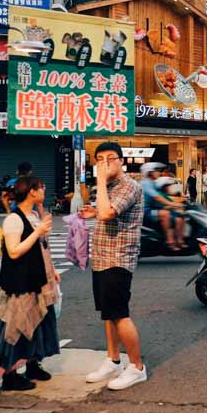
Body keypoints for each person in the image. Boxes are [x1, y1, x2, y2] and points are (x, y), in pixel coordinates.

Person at [79, 142, 147, 391]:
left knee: (119, 314)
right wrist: (93, 211)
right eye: (99, 159)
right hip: (103, 257)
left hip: (118, 258)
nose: (104, 164)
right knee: (108, 313)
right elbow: (103, 211)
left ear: (121, 161)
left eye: (110, 158)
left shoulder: (129, 186)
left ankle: (137, 367)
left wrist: (99, 183)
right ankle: (113, 360)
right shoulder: (109, 186)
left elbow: (108, 213)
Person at [0, 176, 60, 391]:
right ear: (31, 191)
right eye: (41, 187)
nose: (44, 189)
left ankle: (32, 364)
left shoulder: (32, 214)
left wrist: (53, 270)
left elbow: (41, 246)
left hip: (37, 279)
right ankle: (9, 375)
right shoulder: (14, 219)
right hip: (21, 282)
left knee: (38, 322)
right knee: (16, 325)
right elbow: (14, 251)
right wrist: (38, 231)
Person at [140, 162, 184, 250]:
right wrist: (172, 204)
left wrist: (179, 195)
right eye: (156, 171)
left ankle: (179, 240)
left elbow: (165, 191)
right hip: (145, 210)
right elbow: (157, 197)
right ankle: (169, 240)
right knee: (165, 213)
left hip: (154, 209)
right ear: (149, 173)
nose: (158, 173)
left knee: (179, 217)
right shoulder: (145, 183)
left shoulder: (154, 183)